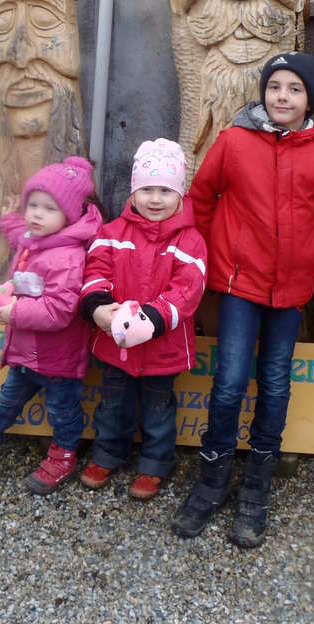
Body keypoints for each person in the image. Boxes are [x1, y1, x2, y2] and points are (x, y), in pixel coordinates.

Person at [172, 51, 314, 548]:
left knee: (274, 384)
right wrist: (212, 252)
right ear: (263, 93)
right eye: (275, 88)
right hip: (238, 285)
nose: (282, 97)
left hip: (290, 290)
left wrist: (299, 245)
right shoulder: (233, 142)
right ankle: (211, 480)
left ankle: (256, 483)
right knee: (228, 383)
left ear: (310, 98)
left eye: (294, 89)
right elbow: (201, 199)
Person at [0, 156, 102, 493]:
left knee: (63, 412)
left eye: (48, 208)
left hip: (58, 360)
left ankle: (64, 456)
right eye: (33, 205)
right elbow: (22, 239)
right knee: (4, 404)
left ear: (69, 215)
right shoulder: (36, 240)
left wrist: (14, 313)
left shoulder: (68, 257)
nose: (36, 215)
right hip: (25, 356)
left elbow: (60, 310)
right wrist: (9, 218)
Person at [78, 138, 207, 501]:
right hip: (115, 343)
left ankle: (154, 464)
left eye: (165, 190)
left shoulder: (190, 239)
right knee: (112, 404)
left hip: (162, 347)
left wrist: (153, 318)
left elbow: (189, 288)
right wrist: (99, 307)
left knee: (158, 410)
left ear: (180, 194)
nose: (155, 199)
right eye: (146, 189)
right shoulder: (112, 233)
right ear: (133, 192)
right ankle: (107, 454)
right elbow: (96, 270)